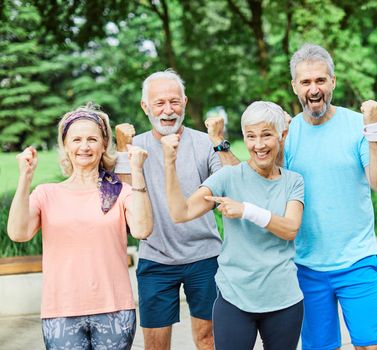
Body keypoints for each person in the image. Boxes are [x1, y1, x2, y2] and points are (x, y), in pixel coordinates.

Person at [7, 104, 153, 349]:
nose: (84, 146)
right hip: (61, 311)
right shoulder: (46, 193)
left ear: (104, 145)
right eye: (76, 139)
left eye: (92, 139)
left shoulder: (119, 191)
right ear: (65, 145)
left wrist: (136, 171)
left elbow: (142, 229)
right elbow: (18, 232)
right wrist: (25, 178)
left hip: (114, 309)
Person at [161, 101, 305, 350]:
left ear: (282, 136)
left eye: (266, 135)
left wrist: (246, 210)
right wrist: (169, 164)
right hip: (235, 298)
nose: (258, 145)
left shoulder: (293, 181)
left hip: (283, 299)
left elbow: (291, 229)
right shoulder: (228, 176)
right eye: (251, 136)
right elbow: (180, 212)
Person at [114, 69, 239, 350]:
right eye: (159, 103)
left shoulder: (204, 142)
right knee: (156, 345)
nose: (168, 110)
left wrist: (219, 139)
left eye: (174, 101)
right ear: (145, 107)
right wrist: (123, 150)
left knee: (209, 339)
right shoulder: (136, 147)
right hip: (155, 259)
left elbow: (235, 185)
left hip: (205, 257)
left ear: (184, 101)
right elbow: (124, 199)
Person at [285, 43, 377, 350]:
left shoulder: (358, 126)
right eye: (306, 82)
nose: (314, 89)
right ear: (295, 86)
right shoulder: (288, 133)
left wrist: (374, 128)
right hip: (307, 265)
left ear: (333, 81)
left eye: (320, 80)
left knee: (369, 346)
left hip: (356, 259)